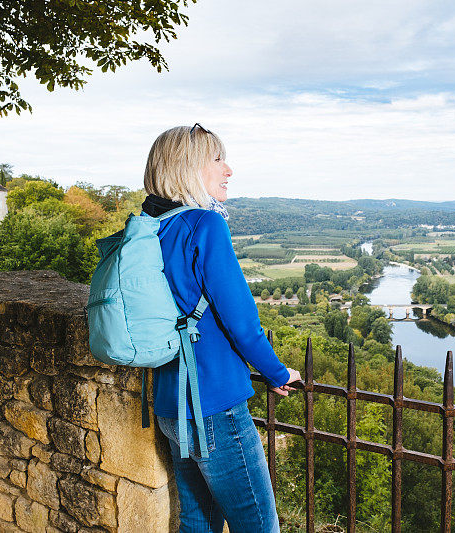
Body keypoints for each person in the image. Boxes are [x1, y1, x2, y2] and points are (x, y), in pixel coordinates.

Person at [141, 124, 302, 533]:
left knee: (198, 521)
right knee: (260, 526)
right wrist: (277, 372)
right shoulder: (204, 226)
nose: (228, 169)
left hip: (169, 403)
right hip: (214, 404)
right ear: (188, 167)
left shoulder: (152, 228)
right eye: (217, 159)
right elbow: (243, 323)